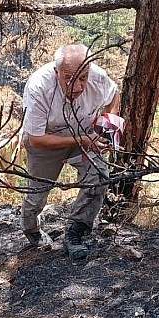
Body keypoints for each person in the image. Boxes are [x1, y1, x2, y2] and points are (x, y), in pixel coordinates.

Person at [20, 44, 121, 260]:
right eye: (69, 78)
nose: (77, 86)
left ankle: (76, 232)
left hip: (83, 135)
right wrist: (84, 139)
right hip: (46, 142)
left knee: (98, 176)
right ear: (57, 72)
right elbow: (36, 140)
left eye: (83, 78)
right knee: (37, 195)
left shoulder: (98, 77)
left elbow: (113, 96)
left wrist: (107, 125)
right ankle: (31, 229)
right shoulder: (39, 86)